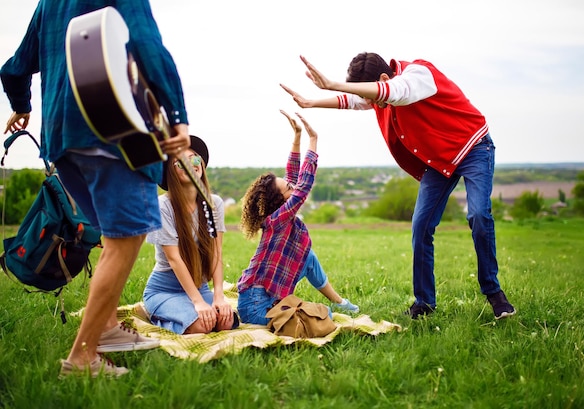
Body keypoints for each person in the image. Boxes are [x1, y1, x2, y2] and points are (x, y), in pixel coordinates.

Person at [1, 0, 192, 377]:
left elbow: (15, 67)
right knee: (127, 236)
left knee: (114, 233)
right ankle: (83, 357)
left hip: (61, 136)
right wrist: (177, 116)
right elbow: (146, 43)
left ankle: (105, 327)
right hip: (114, 134)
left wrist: (21, 105)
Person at [280, 53, 516, 320]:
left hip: (473, 147)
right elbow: (355, 101)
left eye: (371, 96)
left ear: (382, 78)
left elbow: (394, 92)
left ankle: (494, 294)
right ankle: (424, 302)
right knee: (421, 225)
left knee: (478, 215)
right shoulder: (380, 93)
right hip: (439, 161)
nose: (370, 104)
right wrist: (312, 102)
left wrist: (333, 84)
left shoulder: (418, 75)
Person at [236, 110, 359, 325]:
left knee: (308, 257)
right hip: (255, 307)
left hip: (263, 299)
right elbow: (302, 186)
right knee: (324, 317)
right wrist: (313, 140)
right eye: (288, 188)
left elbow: (292, 177)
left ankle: (339, 301)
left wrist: (297, 138)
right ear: (281, 200)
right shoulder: (277, 220)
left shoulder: (278, 213)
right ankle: (326, 308)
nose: (292, 185)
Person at [143, 135, 238, 334]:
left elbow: (216, 252)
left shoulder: (214, 203)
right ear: (170, 170)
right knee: (202, 325)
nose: (191, 164)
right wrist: (198, 303)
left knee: (225, 322)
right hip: (164, 290)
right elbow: (174, 259)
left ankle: (189, 311)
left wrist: (218, 295)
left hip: (200, 286)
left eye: (195, 159)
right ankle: (160, 317)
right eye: (181, 162)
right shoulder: (163, 206)